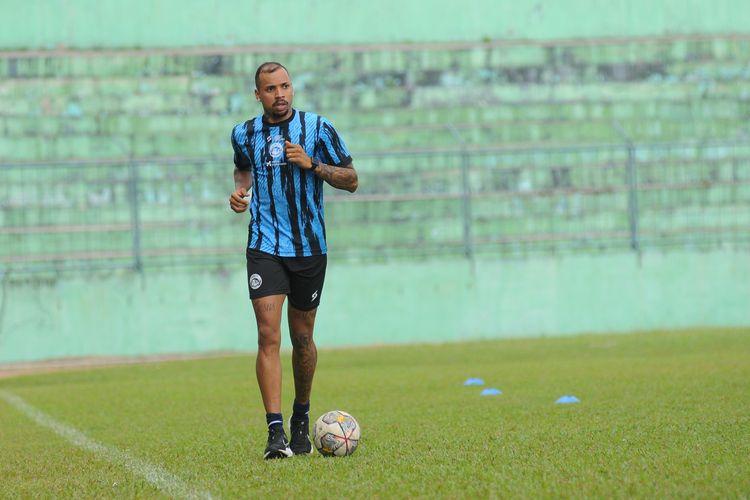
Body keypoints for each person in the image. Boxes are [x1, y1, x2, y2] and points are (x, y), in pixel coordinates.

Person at [228, 62, 358, 459]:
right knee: (268, 336)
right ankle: (274, 434)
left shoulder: (318, 128)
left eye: (284, 86)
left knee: (302, 339)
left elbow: (351, 179)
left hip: (309, 250)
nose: (279, 94)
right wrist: (240, 193)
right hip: (265, 247)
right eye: (270, 89)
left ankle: (302, 418)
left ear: (292, 89)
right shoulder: (244, 133)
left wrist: (313, 165)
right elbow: (242, 167)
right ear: (258, 95)